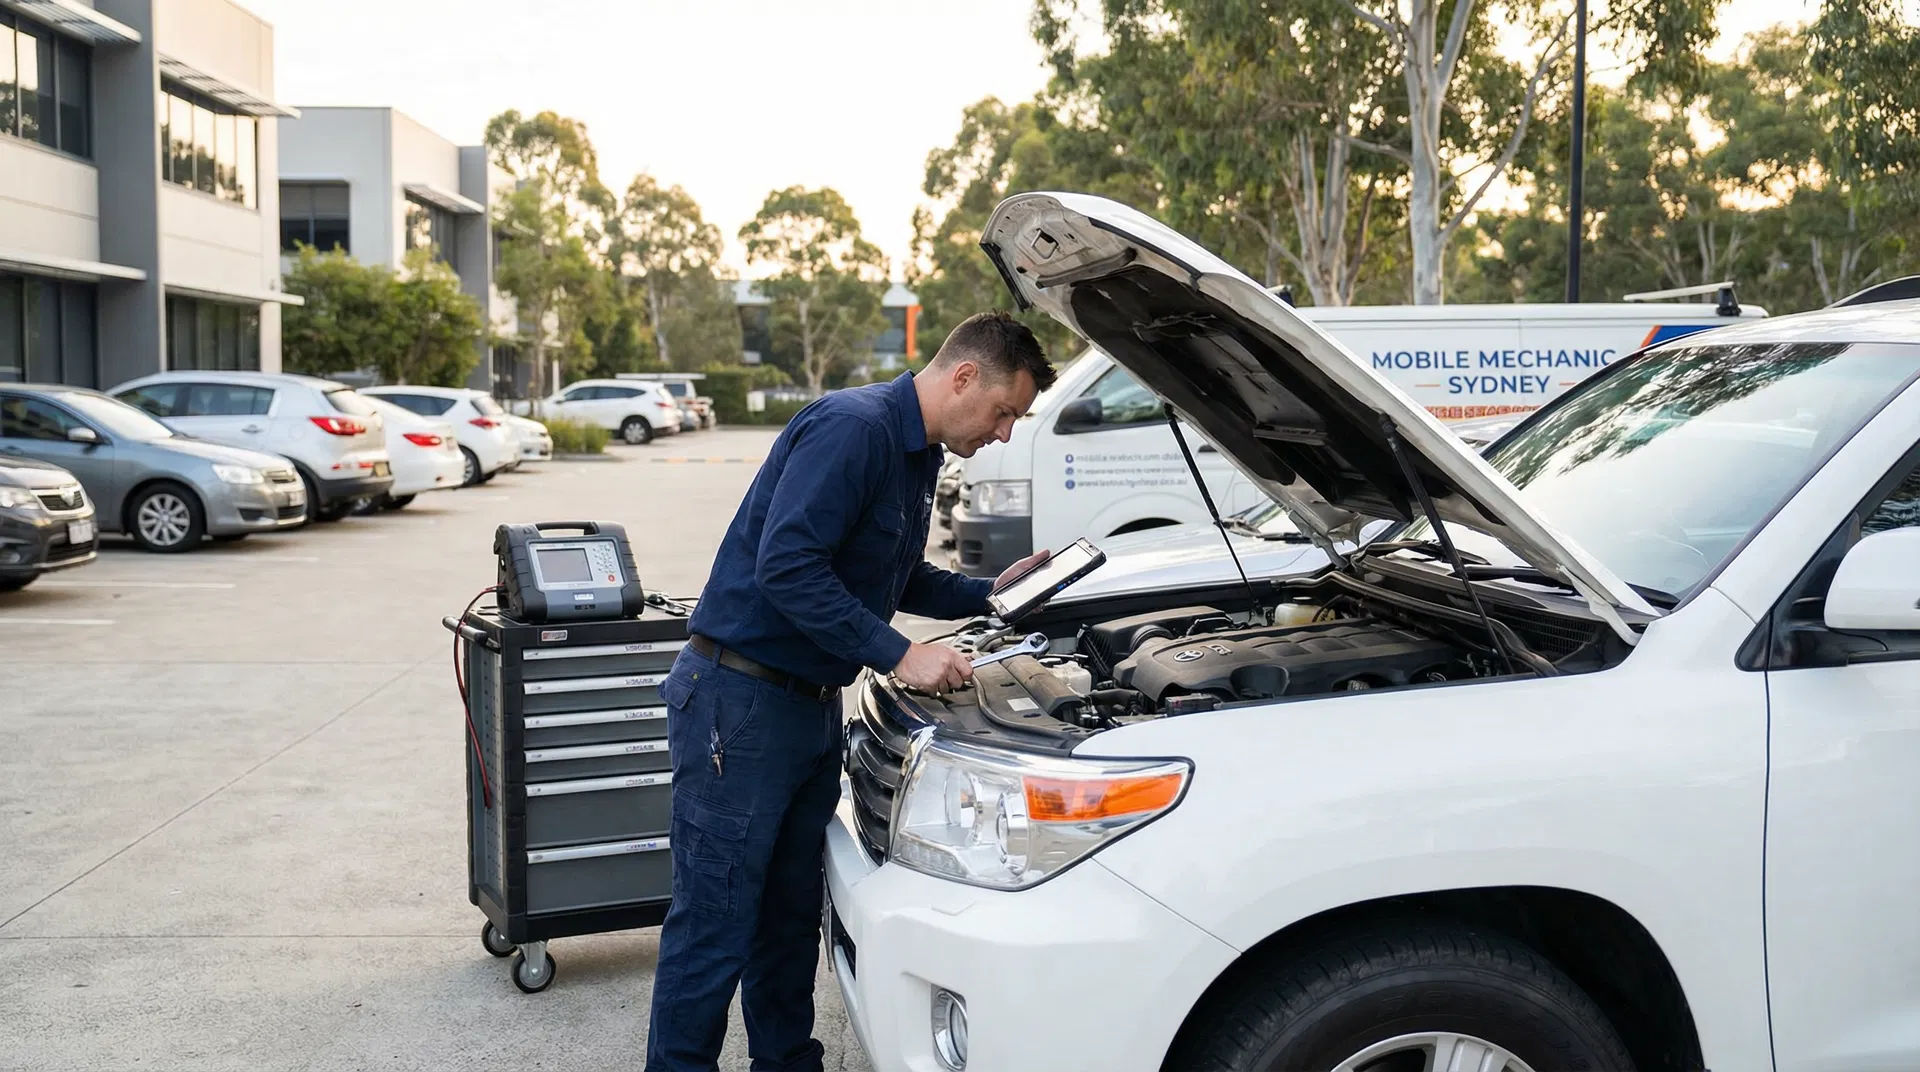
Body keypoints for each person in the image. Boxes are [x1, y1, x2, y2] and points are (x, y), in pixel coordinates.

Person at [644, 311, 1058, 1071]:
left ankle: (786, 1061)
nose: (1004, 433)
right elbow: (789, 566)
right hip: (738, 708)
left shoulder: (916, 454)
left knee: (789, 918)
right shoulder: (853, 428)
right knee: (716, 925)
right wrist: (900, 655)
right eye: (1005, 412)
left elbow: (892, 573)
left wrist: (988, 593)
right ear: (964, 376)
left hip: (805, 710)